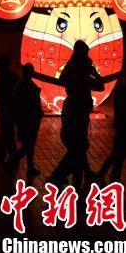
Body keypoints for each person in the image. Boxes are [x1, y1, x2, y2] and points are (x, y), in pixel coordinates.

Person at [39, 42, 107, 187]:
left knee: (78, 148)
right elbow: (100, 86)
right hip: (80, 111)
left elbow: (62, 80)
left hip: (72, 110)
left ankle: (65, 175)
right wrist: (94, 74)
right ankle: (66, 176)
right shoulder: (85, 75)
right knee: (79, 147)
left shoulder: (70, 69)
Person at [96, 69, 126, 185]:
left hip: (123, 128)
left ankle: (105, 176)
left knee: (117, 155)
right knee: (124, 156)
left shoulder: (122, 92)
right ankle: (113, 178)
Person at [8, 63, 43, 178]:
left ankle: (26, 165)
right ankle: (17, 162)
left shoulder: (21, 86)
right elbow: (29, 103)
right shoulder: (28, 87)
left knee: (28, 144)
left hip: (26, 119)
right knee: (29, 144)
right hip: (29, 120)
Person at [0, 55, 19, 165]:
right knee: (5, 132)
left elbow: (1, 97)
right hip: (11, 110)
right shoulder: (14, 76)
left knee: (7, 133)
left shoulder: (2, 79)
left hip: (5, 110)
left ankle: (12, 156)